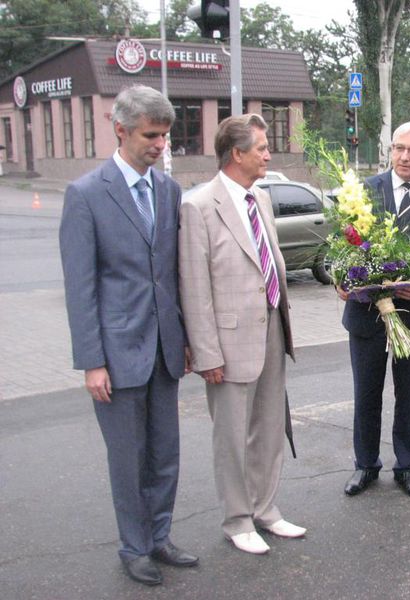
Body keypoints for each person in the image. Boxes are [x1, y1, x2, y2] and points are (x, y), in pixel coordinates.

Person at [59, 85, 198, 586]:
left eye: (165, 136)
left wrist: (183, 338)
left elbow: (174, 273)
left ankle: (160, 537)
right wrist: (92, 361)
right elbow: (81, 288)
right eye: (151, 136)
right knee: (128, 458)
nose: (160, 146)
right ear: (120, 130)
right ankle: (134, 546)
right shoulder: (86, 194)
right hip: (116, 354)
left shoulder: (168, 191)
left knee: (165, 453)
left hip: (163, 348)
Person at [178, 114, 305, 555]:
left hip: (271, 327)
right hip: (227, 344)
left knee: (269, 428)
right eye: (261, 148)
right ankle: (237, 519)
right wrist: (206, 352)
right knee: (231, 436)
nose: (268, 154)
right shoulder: (198, 206)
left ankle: (265, 509)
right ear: (237, 153)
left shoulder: (260, 200)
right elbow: (195, 288)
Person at [340, 121, 410, 499]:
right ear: (389, 149)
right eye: (398, 148)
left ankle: (407, 467)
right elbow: (342, 248)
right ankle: (365, 465)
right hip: (366, 313)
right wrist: (342, 280)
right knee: (366, 393)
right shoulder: (362, 193)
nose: (404, 156)